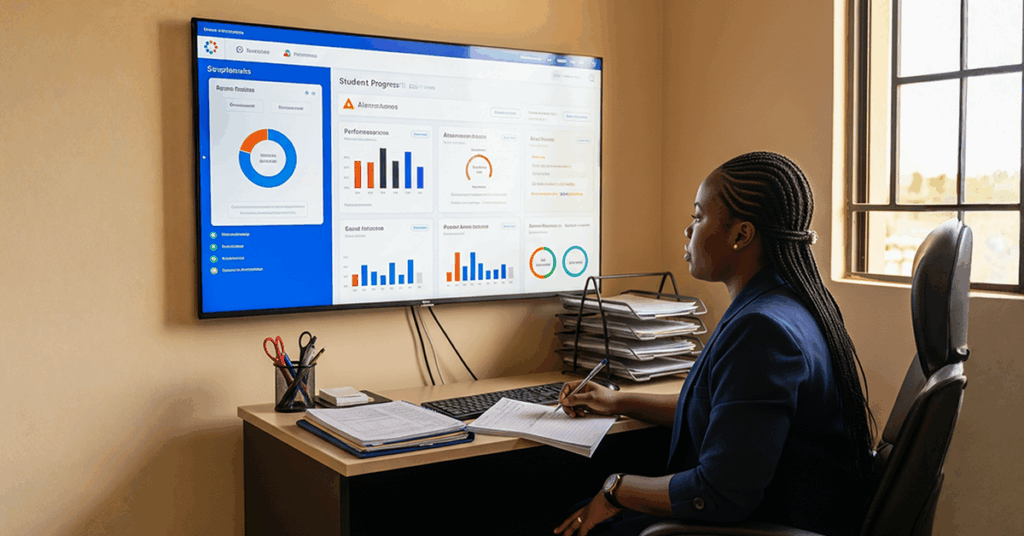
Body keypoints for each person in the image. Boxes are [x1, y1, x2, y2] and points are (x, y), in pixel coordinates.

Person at [554, 152, 875, 536]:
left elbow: (719, 493)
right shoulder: (790, 303)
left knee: (562, 516)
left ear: (741, 235)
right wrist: (617, 400)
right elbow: (730, 414)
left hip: (766, 522)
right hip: (786, 512)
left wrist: (615, 489)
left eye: (698, 216)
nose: (688, 231)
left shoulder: (762, 330)